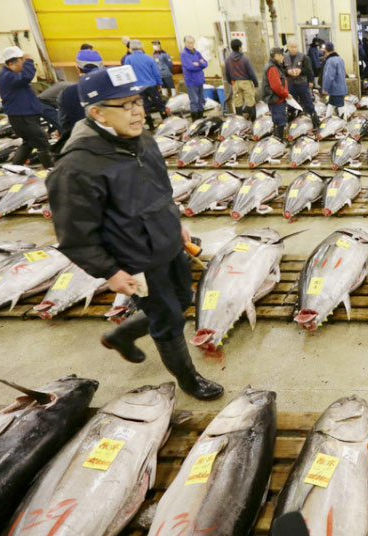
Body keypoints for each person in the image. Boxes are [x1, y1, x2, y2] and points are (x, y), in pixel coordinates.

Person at [47, 65, 224, 401]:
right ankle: (189, 380)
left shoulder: (141, 139)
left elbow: (160, 190)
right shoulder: (76, 167)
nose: (138, 111)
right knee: (169, 318)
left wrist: (174, 222)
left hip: (168, 242)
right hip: (136, 258)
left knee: (184, 299)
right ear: (97, 113)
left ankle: (121, 335)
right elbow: (74, 236)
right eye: (125, 105)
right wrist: (111, 272)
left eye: (138, 101)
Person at [0, 47, 53, 168]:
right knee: (42, 143)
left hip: (23, 116)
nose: (23, 64)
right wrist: (29, 60)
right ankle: (51, 170)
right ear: (11, 64)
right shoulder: (7, 76)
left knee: (28, 143)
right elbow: (27, 76)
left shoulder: (10, 74)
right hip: (23, 117)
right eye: (21, 61)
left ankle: (15, 168)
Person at [57, 48, 103, 146]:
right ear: (101, 66)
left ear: (77, 68)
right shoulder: (111, 88)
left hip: (81, 143)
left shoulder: (67, 93)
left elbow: (64, 122)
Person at [123, 39, 166, 129]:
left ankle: (151, 126)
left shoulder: (128, 59)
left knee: (144, 106)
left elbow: (126, 73)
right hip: (151, 85)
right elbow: (156, 72)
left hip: (138, 87)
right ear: (141, 47)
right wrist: (159, 83)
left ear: (131, 48)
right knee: (159, 104)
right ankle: (166, 124)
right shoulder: (148, 57)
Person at [283, 41, 319, 128]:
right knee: (291, 104)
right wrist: (287, 72)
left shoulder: (304, 57)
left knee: (308, 102)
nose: (293, 49)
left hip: (302, 84)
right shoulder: (283, 58)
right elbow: (280, 71)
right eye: (291, 47)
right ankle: (291, 123)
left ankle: (316, 122)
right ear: (288, 47)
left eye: (295, 47)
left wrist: (310, 80)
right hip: (290, 84)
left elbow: (309, 70)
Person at [225, 38, 260, 119]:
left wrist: (231, 82)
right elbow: (251, 72)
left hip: (235, 83)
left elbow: (227, 73)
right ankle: (253, 121)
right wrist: (256, 83)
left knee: (238, 103)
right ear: (240, 47)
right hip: (246, 83)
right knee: (250, 102)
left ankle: (239, 122)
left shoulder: (228, 60)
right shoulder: (245, 59)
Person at [261, 47, 289, 138]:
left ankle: (278, 140)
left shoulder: (274, 66)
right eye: (281, 55)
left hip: (277, 98)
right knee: (279, 121)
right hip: (276, 99)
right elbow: (276, 86)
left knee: (278, 120)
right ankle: (278, 141)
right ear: (276, 55)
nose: (283, 58)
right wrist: (286, 94)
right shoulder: (272, 67)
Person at [180, 36, 208, 120]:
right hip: (191, 81)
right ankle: (195, 119)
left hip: (200, 80)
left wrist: (197, 63)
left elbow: (205, 63)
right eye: (188, 42)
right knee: (194, 100)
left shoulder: (197, 52)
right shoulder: (184, 54)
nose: (190, 44)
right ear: (185, 43)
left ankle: (200, 117)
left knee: (201, 100)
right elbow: (190, 66)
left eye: (191, 42)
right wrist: (200, 64)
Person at [321, 42, 348, 119]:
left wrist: (325, 88)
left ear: (325, 50)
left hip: (335, 89)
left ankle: (344, 123)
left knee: (340, 106)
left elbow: (328, 76)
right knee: (331, 104)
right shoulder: (340, 59)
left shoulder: (330, 61)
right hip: (341, 87)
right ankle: (327, 120)